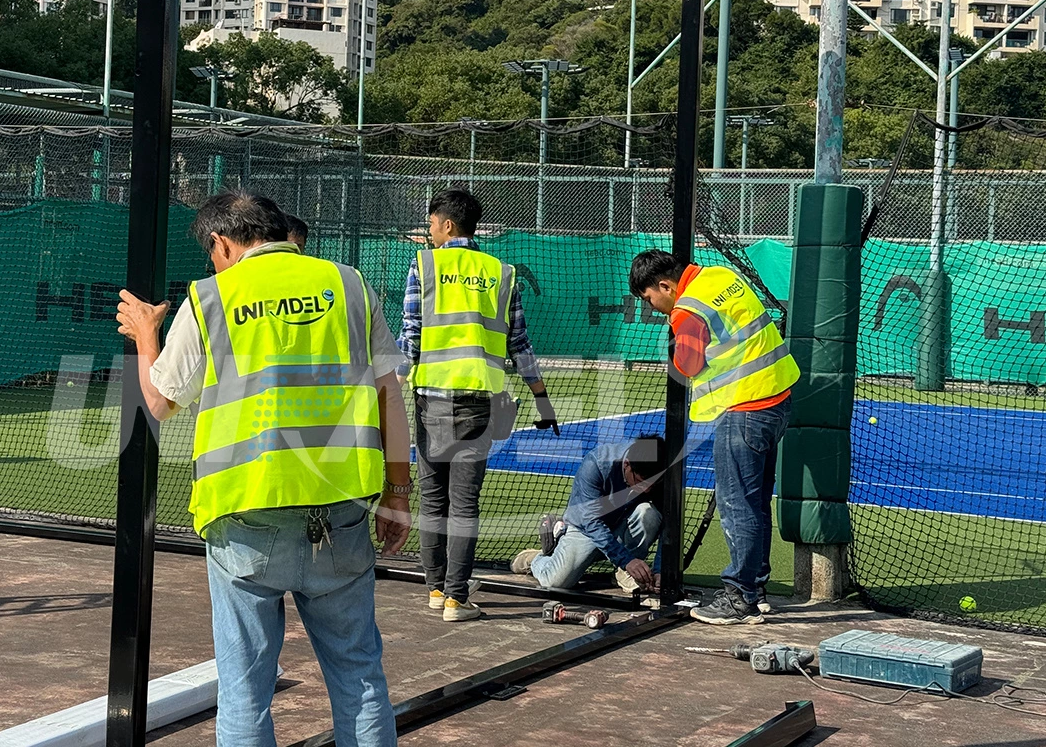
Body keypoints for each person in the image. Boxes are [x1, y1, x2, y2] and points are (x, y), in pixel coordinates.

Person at [116, 189, 412, 746]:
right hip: (342, 512)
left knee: (245, 692)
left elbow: (153, 407)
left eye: (212, 253)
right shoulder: (348, 284)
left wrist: (146, 337)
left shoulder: (210, 298)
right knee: (360, 679)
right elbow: (389, 397)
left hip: (244, 518)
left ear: (222, 243)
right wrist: (398, 492)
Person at [397, 188, 558, 622]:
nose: (429, 233)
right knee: (465, 502)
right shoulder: (502, 273)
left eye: (431, 224)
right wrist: (542, 399)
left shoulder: (423, 266)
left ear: (448, 225)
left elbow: (410, 335)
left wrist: (394, 384)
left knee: (433, 499)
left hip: (430, 397)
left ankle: (434, 590)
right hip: (479, 402)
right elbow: (519, 345)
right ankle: (456, 597)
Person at [629, 249, 799, 626]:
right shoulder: (720, 276)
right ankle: (754, 589)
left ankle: (740, 597)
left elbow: (688, 364)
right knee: (753, 503)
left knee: (738, 505)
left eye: (649, 298)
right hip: (777, 399)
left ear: (664, 285)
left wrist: (674, 340)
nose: (652, 306)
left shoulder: (687, 309)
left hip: (745, 408)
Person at [510, 435, 667, 592]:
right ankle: (534, 559)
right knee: (556, 583)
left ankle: (625, 574)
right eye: (640, 482)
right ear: (627, 465)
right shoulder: (596, 465)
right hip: (587, 529)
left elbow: (670, 523)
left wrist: (661, 569)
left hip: (623, 523)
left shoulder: (661, 467)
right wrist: (626, 560)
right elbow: (591, 522)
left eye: (652, 484)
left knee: (649, 513)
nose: (647, 490)